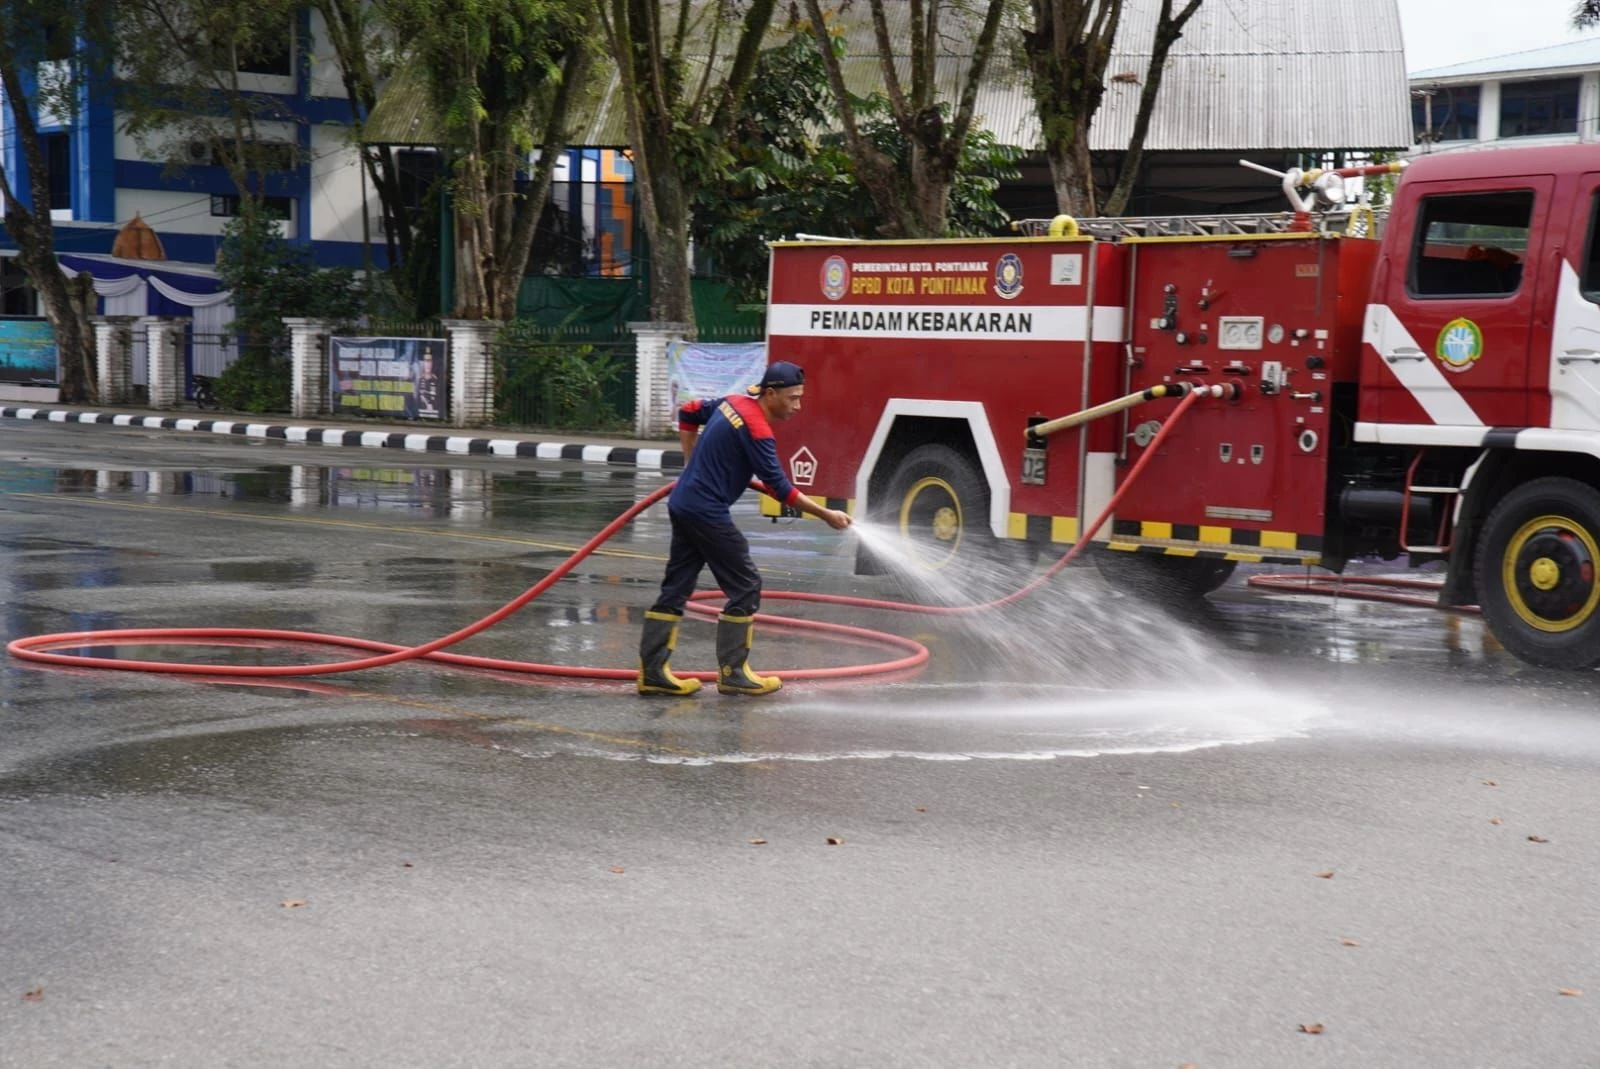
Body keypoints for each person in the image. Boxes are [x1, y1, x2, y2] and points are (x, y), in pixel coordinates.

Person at [638, 360, 851, 697]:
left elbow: (689, 411)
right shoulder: (757, 430)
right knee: (746, 585)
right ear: (770, 393)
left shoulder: (733, 403)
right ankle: (734, 673)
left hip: (684, 504)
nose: (798, 406)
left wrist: (690, 463)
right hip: (706, 512)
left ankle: (652, 674)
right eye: (793, 398)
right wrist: (825, 514)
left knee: (677, 586)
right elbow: (780, 488)